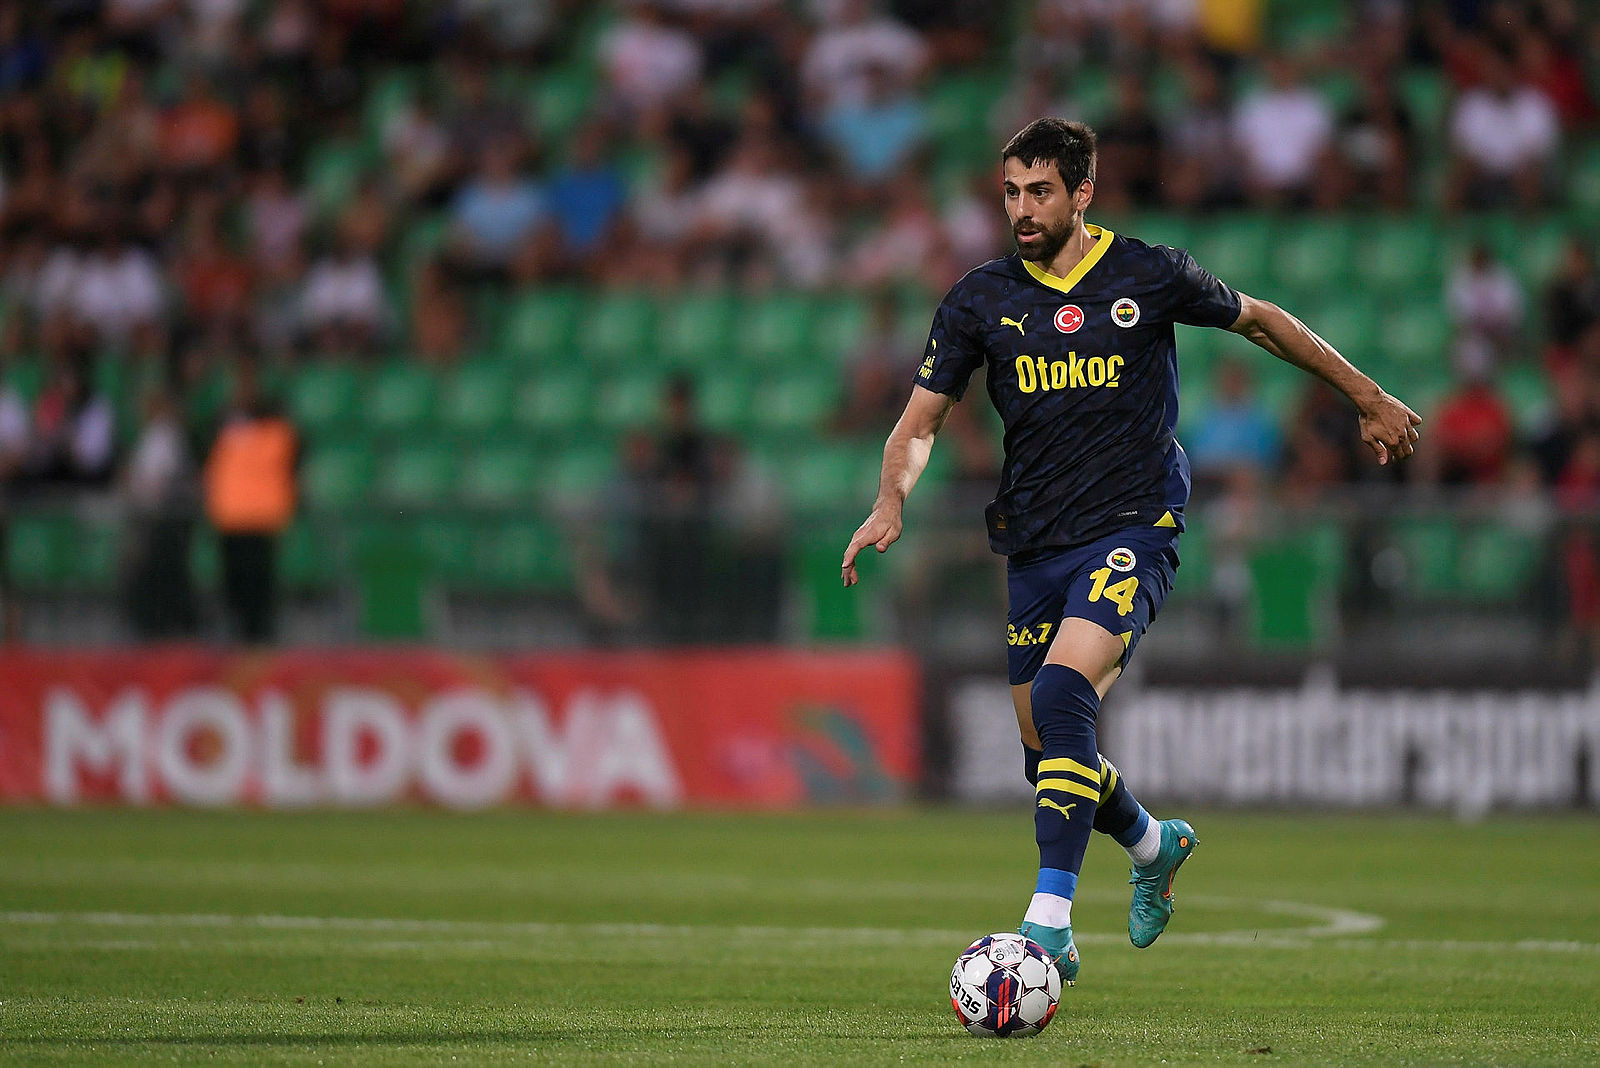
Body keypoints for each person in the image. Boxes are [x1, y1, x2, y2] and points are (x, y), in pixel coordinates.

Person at [840, 118, 1420, 985]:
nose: (1022, 209)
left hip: (1132, 527)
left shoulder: (1148, 272)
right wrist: (889, 501)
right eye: (1010, 192)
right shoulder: (978, 299)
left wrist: (1367, 396)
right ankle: (1153, 844)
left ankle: (1047, 927)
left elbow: (1260, 322)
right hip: (1034, 541)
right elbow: (921, 421)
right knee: (1047, 758)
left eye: (1040, 191)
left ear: (1082, 192)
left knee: (1067, 692)